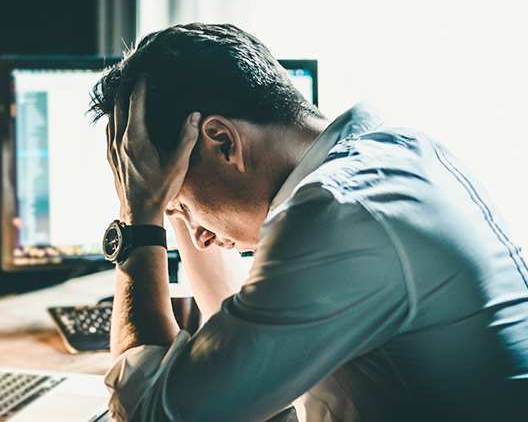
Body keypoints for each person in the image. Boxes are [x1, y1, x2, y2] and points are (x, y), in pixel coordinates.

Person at [89, 23, 528, 422]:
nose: (198, 238)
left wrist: (139, 216)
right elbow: (243, 355)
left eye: (181, 206)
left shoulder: (336, 215)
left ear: (223, 141)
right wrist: (172, 202)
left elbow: (152, 414)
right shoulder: (391, 150)